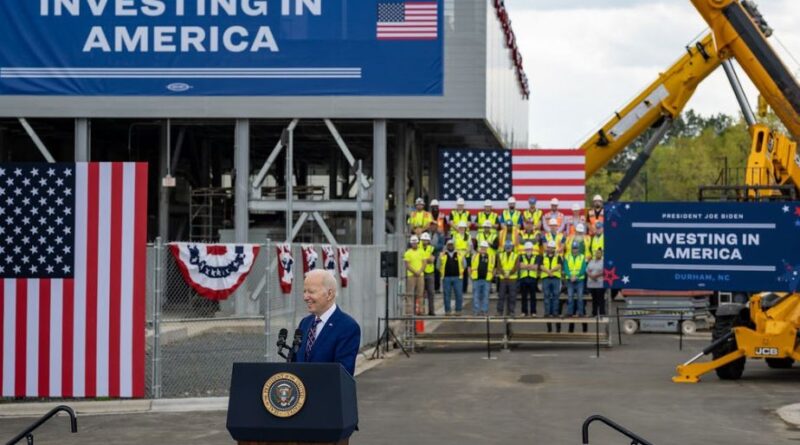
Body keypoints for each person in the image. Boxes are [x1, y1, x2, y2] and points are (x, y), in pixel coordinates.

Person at [293, 269, 361, 375]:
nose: (305, 297)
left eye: (311, 292)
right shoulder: (305, 323)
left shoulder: (348, 327)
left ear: (329, 294)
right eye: (304, 291)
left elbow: (343, 373)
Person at [438, 239, 466, 316]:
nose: (450, 246)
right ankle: (447, 311)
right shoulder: (442, 254)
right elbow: (438, 266)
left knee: (459, 294)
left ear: (454, 245)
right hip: (446, 278)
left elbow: (464, 264)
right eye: (449, 245)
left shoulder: (460, 254)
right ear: (447, 246)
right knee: (447, 295)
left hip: (458, 278)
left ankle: (458, 310)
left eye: (452, 244)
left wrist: (460, 271)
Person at [470, 240, 495, 316]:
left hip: (486, 279)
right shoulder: (474, 256)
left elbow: (494, 268)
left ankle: (484, 310)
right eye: (482, 247)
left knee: (485, 296)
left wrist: (492, 277)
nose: (483, 249)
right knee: (476, 295)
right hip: (476, 279)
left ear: (487, 248)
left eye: (485, 247)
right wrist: (470, 276)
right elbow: (470, 267)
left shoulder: (491, 257)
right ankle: (476, 310)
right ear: (479, 248)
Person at [540, 240, 563, 320]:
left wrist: (551, 271)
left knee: (556, 296)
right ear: (547, 248)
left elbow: (559, 265)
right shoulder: (543, 256)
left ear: (554, 248)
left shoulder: (558, 256)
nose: (550, 249)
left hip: (555, 278)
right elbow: (541, 266)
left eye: (552, 248)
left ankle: (555, 313)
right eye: (549, 247)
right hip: (546, 278)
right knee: (546, 296)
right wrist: (548, 272)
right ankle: (547, 313)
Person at [404, 235, 426, 315]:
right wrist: (415, 272)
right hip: (411, 275)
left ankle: (420, 310)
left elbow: (424, 263)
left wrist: (419, 271)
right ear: (411, 243)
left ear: (418, 243)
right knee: (409, 294)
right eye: (413, 243)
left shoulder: (421, 251)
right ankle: (409, 311)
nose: (414, 244)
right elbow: (407, 265)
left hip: (420, 275)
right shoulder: (407, 253)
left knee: (420, 293)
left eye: (415, 243)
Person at [564, 242, 587, 318]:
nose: (575, 250)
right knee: (570, 297)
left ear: (578, 249)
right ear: (571, 249)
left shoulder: (583, 257)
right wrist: (570, 276)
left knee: (580, 297)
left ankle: (580, 313)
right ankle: (570, 313)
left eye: (576, 248)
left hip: (579, 280)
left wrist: (576, 276)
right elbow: (566, 268)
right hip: (570, 280)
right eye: (574, 248)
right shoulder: (567, 257)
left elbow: (583, 268)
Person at [497, 241, 519, 316]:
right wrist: (504, 274)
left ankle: (511, 311)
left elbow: (516, 267)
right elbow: (499, 266)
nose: (508, 248)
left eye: (509, 247)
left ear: (512, 247)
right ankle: (499, 311)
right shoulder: (500, 255)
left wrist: (509, 274)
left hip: (512, 278)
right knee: (501, 295)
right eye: (506, 247)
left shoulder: (516, 255)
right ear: (504, 247)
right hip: (503, 278)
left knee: (512, 296)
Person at [518, 241, 539, 317]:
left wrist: (526, 266)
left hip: (532, 278)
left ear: (532, 249)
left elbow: (536, 267)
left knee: (533, 296)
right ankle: (524, 311)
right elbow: (520, 266)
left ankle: (533, 312)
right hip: (524, 278)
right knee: (524, 296)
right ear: (525, 250)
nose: (528, 250)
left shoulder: (536, 256)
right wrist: (531, 266)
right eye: (527, 249)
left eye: (530, 249)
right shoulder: (521, 256)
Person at [453, 221, 473, 294]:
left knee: (465, 273)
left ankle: (464, 289)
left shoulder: (468, 236)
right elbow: (454, 245)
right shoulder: (455, 235)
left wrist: (464, 254)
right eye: (460, 228)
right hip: (457, 255)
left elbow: (470, 247)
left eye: (463, 228)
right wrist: (457, 253)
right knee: (458, 272)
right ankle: (458, 288)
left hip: (466, 255)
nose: (461, 229)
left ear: (465, 228)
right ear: (458, 228)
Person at [586, 248, 606, 316]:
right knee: (594, 299)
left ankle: (602, 313)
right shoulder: (591, 261)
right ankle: (594, 313)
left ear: (602, 254)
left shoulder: (603, 262)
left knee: (600, 299)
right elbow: (587, 270)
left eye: (599, 253)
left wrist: (596, 276)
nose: (597, 254)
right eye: (596, 253)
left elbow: (605, 271)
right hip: (592, 284)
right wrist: (591, 276)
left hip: (600, 284)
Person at [420, 232, 436, 316]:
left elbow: (432, 260)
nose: (425, 241)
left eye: (426, 240)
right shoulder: (418, 248)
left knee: (431, 292)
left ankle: (431, 311)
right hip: (421, 272)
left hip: (430, 272)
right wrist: (427, 259)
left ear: (429, 241)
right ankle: (421, 311)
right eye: (423, 240)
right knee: (420, 292)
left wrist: (423, 259)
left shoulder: (432, 248)